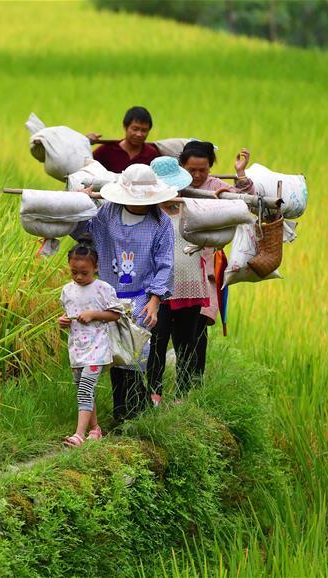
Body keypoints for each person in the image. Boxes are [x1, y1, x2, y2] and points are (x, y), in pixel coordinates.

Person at [145, 143, 255, 401]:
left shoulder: (211, 189)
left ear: (210, 167)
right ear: (183, 167)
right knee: (157, 340)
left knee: (191, 339)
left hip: (195, 278)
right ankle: (154, 394)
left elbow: (243, 204)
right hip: (159, 287)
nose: (196, 176)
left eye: (202, 170)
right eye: (191, 170)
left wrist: (237, 180)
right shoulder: (148, 207)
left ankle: (188, 391)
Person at [73, 163, 176, 423]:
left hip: (141, 295)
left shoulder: (161, 222)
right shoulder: (108, 212)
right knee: (114, 352)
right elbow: (82, 233)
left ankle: (131, 410)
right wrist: (80, 205)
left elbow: (165, 264)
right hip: (109, 295)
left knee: (134, 352)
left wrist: (154, 302)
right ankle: (126, 411)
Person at [57, 239, 121, 447]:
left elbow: (115, 315)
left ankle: (78, 435)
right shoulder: (67, 290)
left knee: (85, 387)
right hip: (77, 348)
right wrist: (63, 321)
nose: (78, 276)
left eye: (84, 272)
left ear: (96, 267)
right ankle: (95, 429)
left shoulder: (103, 288)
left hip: (97, 347)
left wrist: (94, 314)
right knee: (82, 388)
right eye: (74, 271)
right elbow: (68, 314)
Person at [87, 106, 160, 173]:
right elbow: (86, 166)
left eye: (144, 130)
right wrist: (84, 141)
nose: (139, 134)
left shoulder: (151, 154)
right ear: (125, 127)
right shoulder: (107, 150)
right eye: (135, 129)